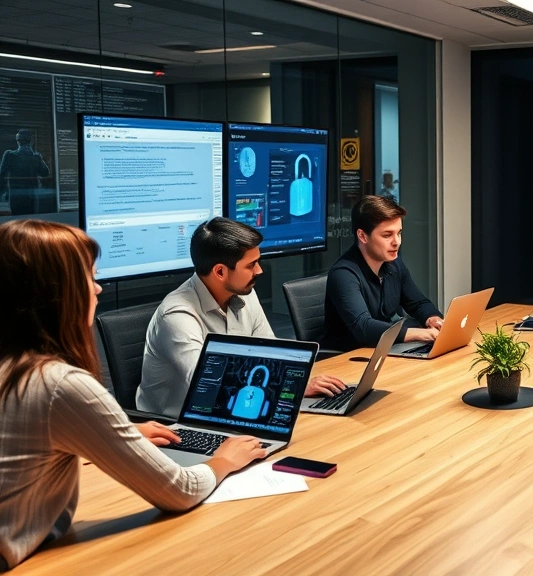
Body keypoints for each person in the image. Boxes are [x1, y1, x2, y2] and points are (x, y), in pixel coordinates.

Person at [0, 220, 265, 570]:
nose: (97, 290)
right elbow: (179, 490)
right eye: (88, 279)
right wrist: (223, 461)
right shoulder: (59, 385)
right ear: (58, 296)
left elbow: (22, 446)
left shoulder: (14, 367)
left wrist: (116, 434)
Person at [137, 218, 345, 418]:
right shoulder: (177, 315)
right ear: (220, 271)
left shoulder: (244, 293)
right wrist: (290, 389)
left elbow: (272, 353)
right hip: (180, 425)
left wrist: (295, 385)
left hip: (237, 406)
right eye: (251, 265)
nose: (259, 270)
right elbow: (207, 382)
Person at [321, 195, 443, 352]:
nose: (397, 242)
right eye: (387, 235)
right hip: (348, 358)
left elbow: (418, 303)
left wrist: (433, 319)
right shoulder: (343, 274)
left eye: (399, 233)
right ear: (362, 236)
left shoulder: (394, 263)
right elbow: (364, 327)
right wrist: (424, 334)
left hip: (383, 351)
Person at [0, 129, 50, 215]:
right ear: (30, 141)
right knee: (29, 220)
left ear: (18, 141)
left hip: (15, 194)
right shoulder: (36, 157)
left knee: (17, 220)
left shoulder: (9, 155)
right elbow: (45, 173)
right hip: (31, 195)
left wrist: (3, 193)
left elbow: (2, 174)